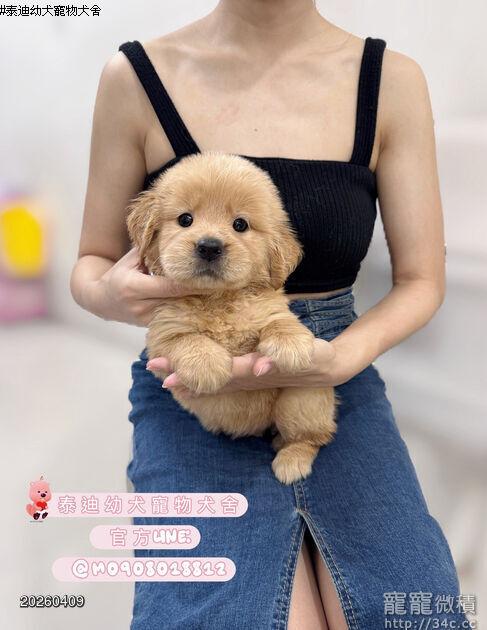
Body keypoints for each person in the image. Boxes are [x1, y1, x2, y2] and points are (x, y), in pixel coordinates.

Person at [71, 1, 468, 628]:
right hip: (190, 384)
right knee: (221, 615)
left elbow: (421, 281)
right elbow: (91, 263)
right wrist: (114, 295)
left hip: (333, 370)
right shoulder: (135, 76)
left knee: (415, 611)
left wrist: (332, 361)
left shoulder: (392, 80)